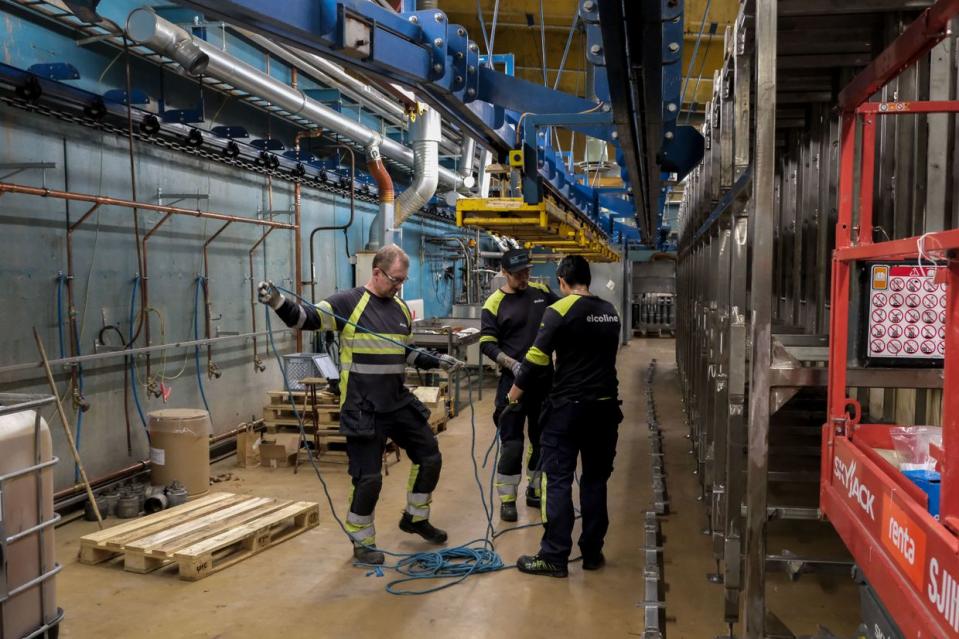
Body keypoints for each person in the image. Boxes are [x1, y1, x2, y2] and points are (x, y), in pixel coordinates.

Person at [258, 244, 460, 565]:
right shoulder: (347, 303)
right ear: (376, 272)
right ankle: (361, 542)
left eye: (402, 281)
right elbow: (305, 319)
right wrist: (277, 301)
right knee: (368, 480)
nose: (398, 286)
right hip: (363, 406)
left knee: (429, 456)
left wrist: (436, 361)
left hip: (396, 401)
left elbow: (403, 351)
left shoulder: (401, 309)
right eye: (395, 279)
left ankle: (415, 518)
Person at [507, 255, 622, 578]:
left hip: (568, 409)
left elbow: (535, 358)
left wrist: (513, 395)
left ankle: (554, 556)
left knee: (556, 480)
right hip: (605, 408)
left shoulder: (558, 310)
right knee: (595, 480)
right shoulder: (609, 312)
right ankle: (592, 552)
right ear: (588, 278)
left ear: (562, 281)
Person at [480, 248, 558, 522]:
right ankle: (508, 498)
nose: (524, 277)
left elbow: (563, 318)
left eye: (526, 271)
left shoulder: (542, 293)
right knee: (512, 443)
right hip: (512, 384)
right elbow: (487, 344)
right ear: (504, 273)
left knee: (541, 440)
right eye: (517, 274)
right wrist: (512, 364)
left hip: (544, 382)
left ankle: (534, 489)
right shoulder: (493, 303)